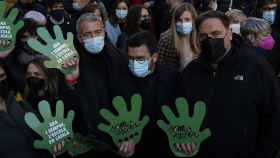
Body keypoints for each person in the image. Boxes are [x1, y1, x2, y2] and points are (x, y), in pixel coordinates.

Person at [178, 11, 280, 158]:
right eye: (203, 36)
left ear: (229, 34)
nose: (210, 40)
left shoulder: (255, 66)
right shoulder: (190, 72)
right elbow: (181, 110)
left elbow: (273, 113)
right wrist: (184, 135)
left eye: (216, 33)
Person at [67, 13, 131, 157]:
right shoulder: (72, 63)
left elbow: (130, 96)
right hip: (87, 139)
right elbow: (68, 106)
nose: (94, 37)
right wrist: (70, 81)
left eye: (97, 32)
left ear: (104, 32)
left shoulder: (119, 58)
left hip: (118, 135)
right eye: (88, 34)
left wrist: (128, 131)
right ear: (79, 38)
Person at [118, 31, 178, 157]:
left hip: (165, 146)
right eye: (130, 58)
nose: (134, 63)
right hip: (135, 146)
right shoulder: (121, 79)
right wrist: (123, 137)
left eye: (140, 59)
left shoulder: (172, 77)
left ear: (154, 57)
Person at [158, 3, 200, 70]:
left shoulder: (199, 37)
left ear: (193, 20)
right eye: (179, 20)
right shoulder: (166, 39)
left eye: (187, 19)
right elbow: (160, 65)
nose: (183, 23)